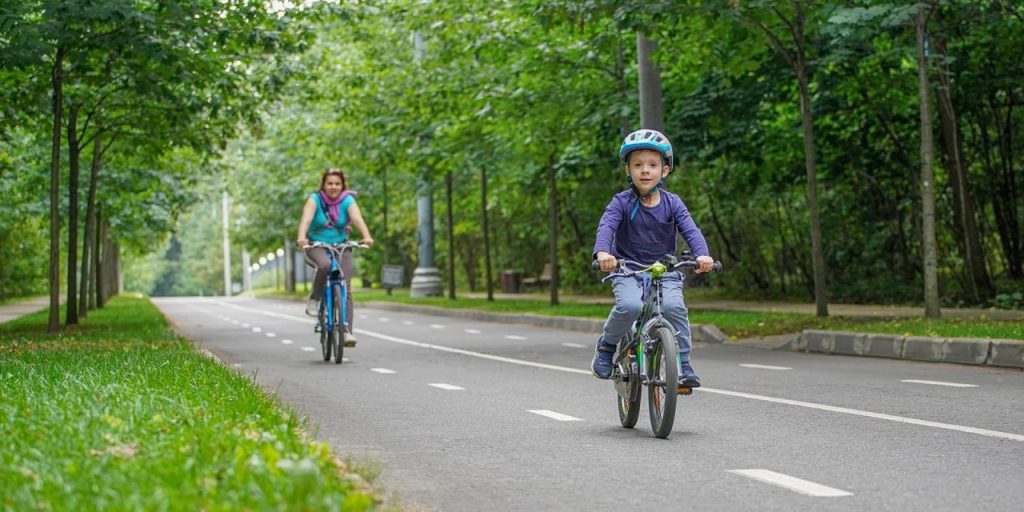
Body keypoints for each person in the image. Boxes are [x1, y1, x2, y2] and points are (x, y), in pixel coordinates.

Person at [591, 129, 714, 387]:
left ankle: (682, 364)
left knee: (674, 308)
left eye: (652, 165)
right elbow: (607, 227)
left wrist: (703, 255)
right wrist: (603, 253)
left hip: (664, 270)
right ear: (628, 171)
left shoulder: (673, 203)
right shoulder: (621, 202)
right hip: (627, 270)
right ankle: (606, 347)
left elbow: (691, 230)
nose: (645, 170)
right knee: (630, 307)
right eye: (637, 165)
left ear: (665, 171)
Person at [296, 168, 374, 345]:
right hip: (316, 245)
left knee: (345, 285)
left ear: (342, 185)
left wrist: (366, 236)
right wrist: (302, 238)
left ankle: (347, 332)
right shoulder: (315, 199)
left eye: (337, 184)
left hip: (341, 245)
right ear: (323, 185)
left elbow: (357, 219)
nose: (333, 187)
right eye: (330, 183)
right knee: (324, 265)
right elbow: (305, 220)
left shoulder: (347, 200)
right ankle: (315, 299)